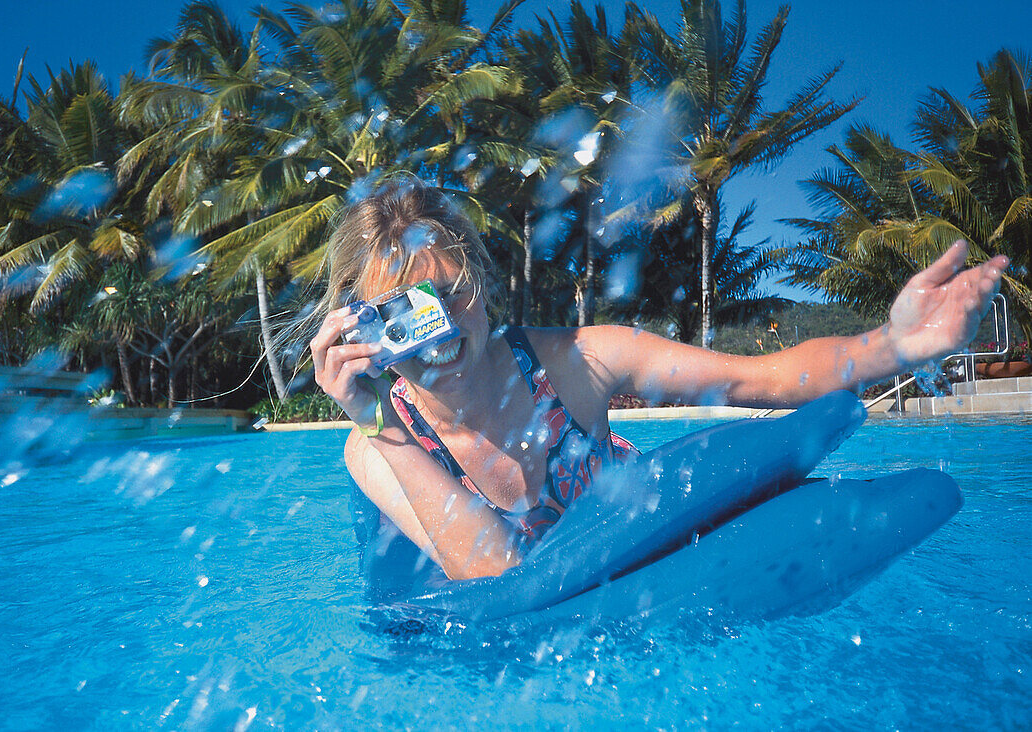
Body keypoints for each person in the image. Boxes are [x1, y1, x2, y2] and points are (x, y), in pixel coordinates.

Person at [309, 180, 1008, 581]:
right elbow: (498, 583)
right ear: (357, 333)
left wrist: (898, 342)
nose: (445, 335)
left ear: (485, 285)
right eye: (404, 319)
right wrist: (384, 429)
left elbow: (758, 380)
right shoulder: (375, 444)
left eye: (451, 295)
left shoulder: (576, 364)